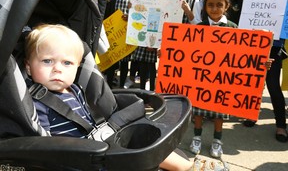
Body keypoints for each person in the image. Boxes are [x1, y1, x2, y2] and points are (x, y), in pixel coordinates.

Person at [25, 24, 193, 171]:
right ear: (29, 68)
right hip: (81, 160)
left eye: (67, 63)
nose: (57, 69)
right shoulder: (37, 103)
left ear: (77, 67)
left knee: (153, 150)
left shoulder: (75, 89)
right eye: (47, 61)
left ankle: (187, 167)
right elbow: (43, 146)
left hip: (101, 144)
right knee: (146, 158)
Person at [242, 0, 288, 143]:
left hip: (274, 48)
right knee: (253, 84)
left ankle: (281, 125)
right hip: (253, 45)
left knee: (273, 85)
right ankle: (252, 114)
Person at [189, 0, 237, 158]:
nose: (214, 8)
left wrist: (261, 63)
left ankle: (217, 140)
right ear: (205, 7)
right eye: (210, 5)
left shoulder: (233, 28)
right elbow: (188, 50)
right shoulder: (200, 27)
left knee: (219, 111)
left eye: (219, 5)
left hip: (222, 79)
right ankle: (197, 136)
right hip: (202, 77)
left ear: (226, 6)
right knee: (199, 110)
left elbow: (242, 54)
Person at [132, 0, 164, 91]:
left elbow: (162, 21)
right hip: (143, 34)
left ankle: (151, 92)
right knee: (142, 66)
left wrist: (155, 43)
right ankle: (142, 91)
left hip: (154, 36)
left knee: (151, 68)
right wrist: (132, 6)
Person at [104, 0, 134, 88]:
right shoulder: (114, 0)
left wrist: (130, 17)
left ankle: (122, 85)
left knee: (125, 61)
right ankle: (110, 84)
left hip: (128, 36)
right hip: (115, 36)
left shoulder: (135, 1)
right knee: (112, 60)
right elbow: (107, 16)